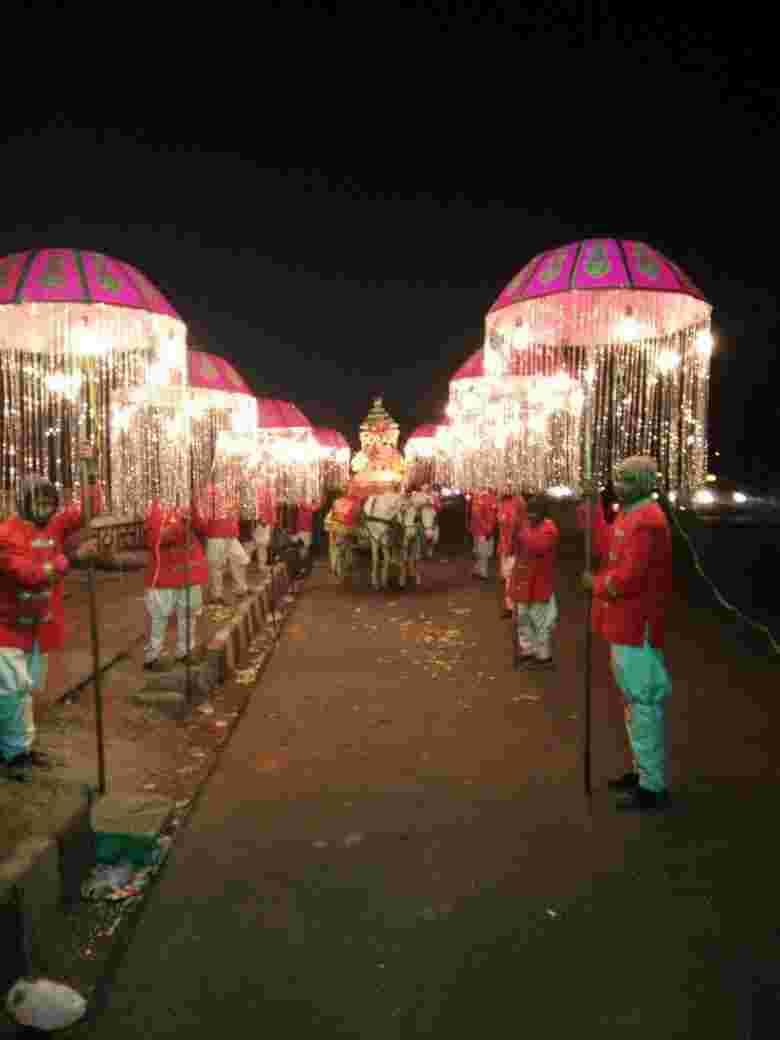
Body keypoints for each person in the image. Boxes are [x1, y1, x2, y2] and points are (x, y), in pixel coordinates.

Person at [581, 455, 673, 812]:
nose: (619, 486)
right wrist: (591, 508)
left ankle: (652, 785)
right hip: (623, 624)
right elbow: (606, 545)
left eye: (627, 480)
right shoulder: (629, 514)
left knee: (643, 703)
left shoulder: (647, 520)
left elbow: (629, 577)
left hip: (637, 624)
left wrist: (596, 585)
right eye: (617, 479)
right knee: (634, 703)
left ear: (645, 483)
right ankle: (643, 772)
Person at [0, 476, 89, 781]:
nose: (44, 508)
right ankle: (13, 754)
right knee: (12, 691)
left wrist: (88, 475)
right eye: (38, 502)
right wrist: (67, 560)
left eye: (49, 503)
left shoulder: (54, 525)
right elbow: (28, 575)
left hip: (37, 629)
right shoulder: (6, 534)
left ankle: (21, 747)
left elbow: (85, 511)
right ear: (23, 501)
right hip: (7, 629)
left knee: (26, 691)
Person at [143, 499, 209, 671]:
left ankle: (185, 651)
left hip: (189, 572)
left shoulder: (190, 503)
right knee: (158, 615)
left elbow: (203, 527)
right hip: (164, 574)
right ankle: (153, 657)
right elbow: (154, 539)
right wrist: (180, 528)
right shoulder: (156, 506)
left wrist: (193, 512)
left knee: (188, 613)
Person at [508, 495, 559, 668]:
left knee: (540, 621)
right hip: (523, 580)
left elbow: (537, 545)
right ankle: (527, 650)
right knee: (523, 618)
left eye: (535, 513)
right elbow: (516, 549)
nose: (531, 516)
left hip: (540, 583)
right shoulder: (525, 526)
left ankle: (543, 655)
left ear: (543, 513)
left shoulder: (549, 528)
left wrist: (519, 532)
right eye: (529, 512)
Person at [194, 487, 249, 605]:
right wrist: (207, 529)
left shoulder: (228, 488)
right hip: (216, 533)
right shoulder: (208, 491)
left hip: (229, 533)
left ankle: (241, 588)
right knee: (216, 566)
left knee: (240, 559)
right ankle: (216, 595)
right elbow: (201, 514)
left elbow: (234, 510)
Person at [498, 490, 527, 617]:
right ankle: (510, 606)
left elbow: (519, 526)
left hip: (514, 548)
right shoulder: (502, 503)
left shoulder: (519, 502)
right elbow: (502, 527)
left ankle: (515, 607)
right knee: (508, 578)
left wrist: (512, 545)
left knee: (513, 577)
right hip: (505, 548)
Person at [470, 488, 498, 580]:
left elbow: (494, 514)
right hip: (481, 530)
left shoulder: (493, 498)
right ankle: (482, 572)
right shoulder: (478, 498)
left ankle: (477, 570)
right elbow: (477, 515)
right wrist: (487, 528)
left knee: (486, 552)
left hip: (488, 529)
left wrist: (491, 527)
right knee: (482, 552)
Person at [294, 499, 321, 569]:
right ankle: (303, 565)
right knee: (305, 548)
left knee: (303, 548)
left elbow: (316, 506)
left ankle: (303, 564)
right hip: (305, 530)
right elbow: (317, 507)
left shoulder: (302, 506)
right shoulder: (308, 507)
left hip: (302, 530)